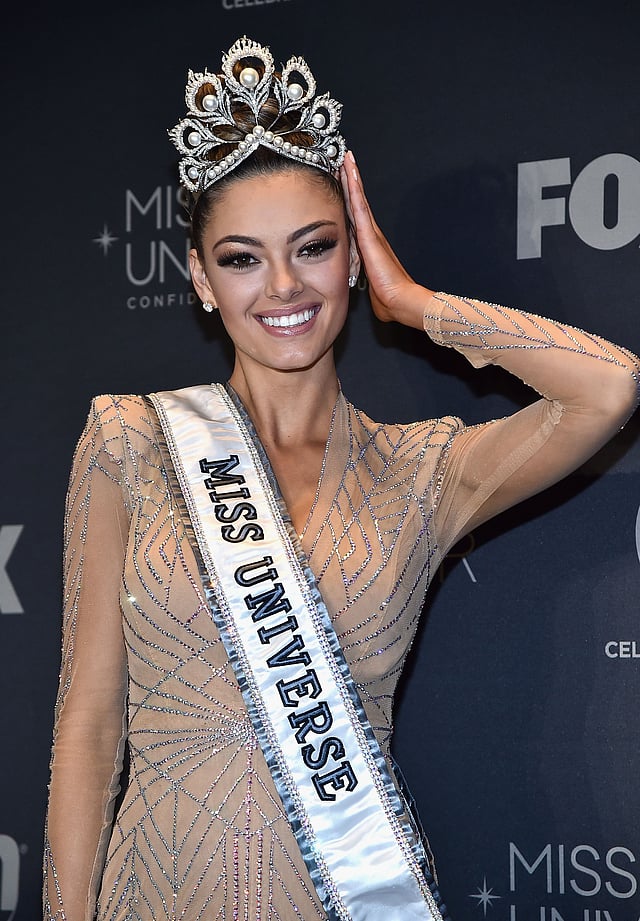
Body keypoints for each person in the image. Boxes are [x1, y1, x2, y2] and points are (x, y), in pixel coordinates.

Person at [43, 36, 639, 921]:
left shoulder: (425, 472)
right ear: (202, 281)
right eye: (242, 257)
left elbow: (610, 386)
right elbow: (87, 730)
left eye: (313, 247)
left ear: (351, 259)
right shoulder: (131, 439)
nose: (282, 284)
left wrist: (413, 303)